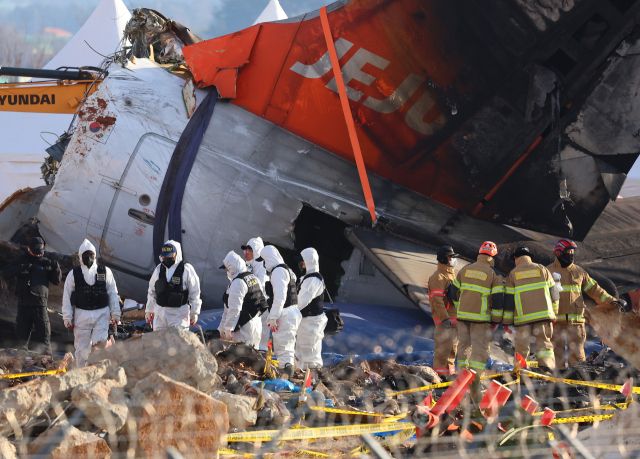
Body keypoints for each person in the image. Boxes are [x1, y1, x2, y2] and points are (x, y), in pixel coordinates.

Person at [547, 239, 624, 368]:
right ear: (559, 252)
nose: (571, 254)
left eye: (572, 252)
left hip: (576, 323)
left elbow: (595, 290)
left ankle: (577, 382)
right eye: (568, 251)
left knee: (577, 357)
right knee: (556, 356)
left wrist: (612, 301)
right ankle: (557, 383)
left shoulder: (579, 272)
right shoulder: (547, 271)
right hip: (556, 322)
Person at [61, 239, 120, 367]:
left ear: (95, 256)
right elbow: (67, 296)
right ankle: (82, 373)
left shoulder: (105, 272)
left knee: (100, 346)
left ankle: (98, 373)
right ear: (80, 257)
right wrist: (67, 317)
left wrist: (116, 313)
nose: (89, 258)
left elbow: (112, 293)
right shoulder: (73, 274)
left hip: (101, 314)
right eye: (86, 256)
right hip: (82, 315)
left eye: (91, 256)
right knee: (82, 350)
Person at [451, 241, 504, 375]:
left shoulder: (465, 269)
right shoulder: (495, 274)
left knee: (463, 347)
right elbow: (498, 300)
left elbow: (454, 291)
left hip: (463, 317)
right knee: (480, 349)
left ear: (479, 253)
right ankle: (475, 378)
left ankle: (461, 376)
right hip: (481, 320)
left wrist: (459, 307)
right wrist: (496, 321)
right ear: (494, 257)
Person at [1, 237, 61, 355]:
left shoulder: (46, 263)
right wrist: (22, 268)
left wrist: (55, 267)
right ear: (29, 249)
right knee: (22, 340)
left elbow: (57, 281)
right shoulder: (22, 261)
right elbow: (5, 273)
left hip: (40, 305)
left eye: (40, 253)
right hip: (24, 305)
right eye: (36, 252)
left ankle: (46, 364)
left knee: (44, 338)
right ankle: (20, 365)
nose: (38, 255)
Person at [503, 246, 559, 371]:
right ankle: (548, 372)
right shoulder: (542, 269)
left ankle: (521, 374)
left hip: (523, 319)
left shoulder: (513, 274)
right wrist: (554, 313)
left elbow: (508, 301)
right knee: (544, 345)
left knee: (522, 346)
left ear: (516, 258)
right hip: (544, 316)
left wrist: (506, 322)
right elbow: (554, 294)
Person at [261, 245, 302, 378]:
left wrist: (273, 317)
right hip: (291, 312)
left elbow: (280, 297)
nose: (263, 264)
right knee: (286, 348)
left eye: (264, 260)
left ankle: (285, 381)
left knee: (283, 350)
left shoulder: (278, 272)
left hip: (285, 314)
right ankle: (286, 377)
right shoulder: (287, 270)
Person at [146, 240, 201, 331]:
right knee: (159, 343)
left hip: (178, 316)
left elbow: (195, 292)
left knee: (178, 342)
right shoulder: (159, 269)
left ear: (176, 254)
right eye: (165, 255)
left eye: (169, 255)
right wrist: (149, 310)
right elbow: (151, 291)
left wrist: (194, 312)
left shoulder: (186, 269)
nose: (166, 257)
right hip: (160, 315)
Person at [218, 251, 268, 348]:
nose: (226, 271)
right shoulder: (252, 277)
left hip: (243, 331)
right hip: (255, 326)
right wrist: (221, 328)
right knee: (253, 358)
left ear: (232, 267)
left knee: (240, 359)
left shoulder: (238, 282)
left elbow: (233, 309)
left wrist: (228, 329)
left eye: (227, 268)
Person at [428, 246, 459, 378]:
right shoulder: (438, 277)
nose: (453, 259)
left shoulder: (450, 276)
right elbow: (437, 300)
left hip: (453, 321)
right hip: (445, 322)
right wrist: (444, 318)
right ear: (443, 258)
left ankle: (448, 378)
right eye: (450, 257)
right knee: (442, 351)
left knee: (451, 351)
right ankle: (439, 379)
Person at [295, 248, 328, 369]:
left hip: (311, 323)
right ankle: (305, 376)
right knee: (303, 351)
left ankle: (312, 377)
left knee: (310, 352)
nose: (301, 265)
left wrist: (288, 311)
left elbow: (301, 301)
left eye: (303, 262)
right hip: (307, 322)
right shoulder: (309, 277)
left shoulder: (312, 280)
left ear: (308, 262)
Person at [241, 237, 271, 352]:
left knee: (261, 335)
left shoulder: (263, 267)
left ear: (256, 251)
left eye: (248, 250)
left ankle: (261, 355)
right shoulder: (248, 266)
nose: (245, 253)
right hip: (250, 306)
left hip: (261, 306)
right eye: (244, 251)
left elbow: (260, 286)